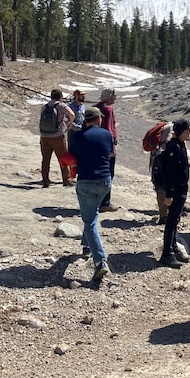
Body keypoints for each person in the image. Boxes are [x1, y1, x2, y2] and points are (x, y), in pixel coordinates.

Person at [68, 106, 113, 282]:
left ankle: (100, 261)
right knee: (92, 215)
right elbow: (109, 153)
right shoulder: (107, 135)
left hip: (85, 181)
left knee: (90, 220)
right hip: (104, 181)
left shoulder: (76, 137)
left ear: (86, 119)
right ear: (98, 119)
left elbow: (73, 156)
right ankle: (86, 246)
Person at [159, 118, 190, 268]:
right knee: (171, 221)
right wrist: (169, 194)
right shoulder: (174, 147)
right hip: (175, 191)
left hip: (179, 190)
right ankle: (167, 254)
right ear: (185, 131)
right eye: (188, 129)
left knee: (175, 220)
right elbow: (170, 172)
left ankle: (172, 248)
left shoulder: (178, 145)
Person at [39, 88, 75, 188]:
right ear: (60, 96)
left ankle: (45, 180)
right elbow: (71, 114)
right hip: (57, 136)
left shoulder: (45, 106)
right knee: (63, 158)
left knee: (45, 159)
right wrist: (70, 124)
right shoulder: (61, 105)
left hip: (44, 136)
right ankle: (66, 179)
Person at [96, 88, 119, 212]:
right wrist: (111, 147)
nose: (115, 98)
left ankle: (97, 200)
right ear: (110, 97)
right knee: (108, 173)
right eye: (114, 96)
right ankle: (105, 202)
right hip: (106, 146)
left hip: (95, 145)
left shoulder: (96, 107)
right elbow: (109, 129)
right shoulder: (108, 109)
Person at [150, 121, 173, 225]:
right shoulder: (172, 128)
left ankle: (163, 213)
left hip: (155, 157)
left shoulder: (162, 127)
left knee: (159, 187)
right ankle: (165, 214)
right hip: (165, 158)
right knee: (168, 186)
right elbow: (169, 140)